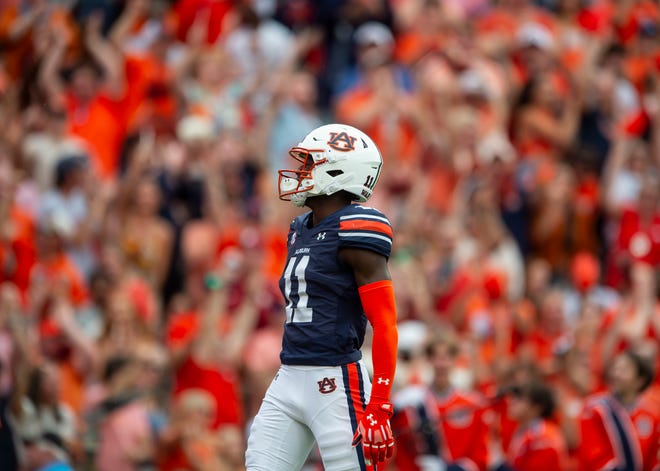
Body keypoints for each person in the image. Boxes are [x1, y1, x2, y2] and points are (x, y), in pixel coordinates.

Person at [245, 123, 399, 470]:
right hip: (289, 375)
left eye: (309, 163)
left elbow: (385, 322)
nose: (300, 171)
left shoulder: (357, 227)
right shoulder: (300, 229)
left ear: (338, 171)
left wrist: (379, 404)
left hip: (337, 380)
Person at [391, 330, 489, 471]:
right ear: (429, 360)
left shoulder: (473, 404)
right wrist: (394, 409)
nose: (441, 364)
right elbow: (398, 446)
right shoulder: (413, 401)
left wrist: (449, 468)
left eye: (447, 357)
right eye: (436, 357)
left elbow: (481, 459)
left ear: (455, 359)